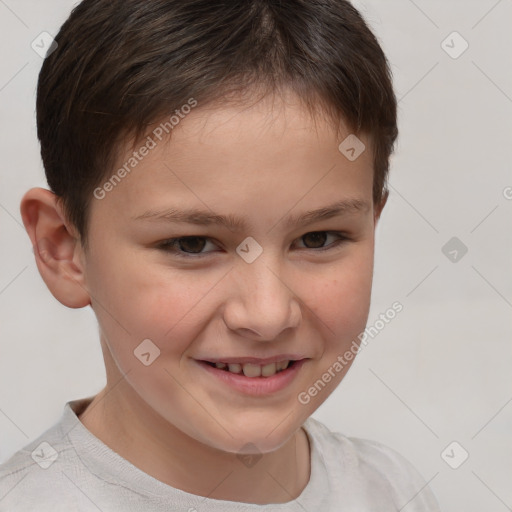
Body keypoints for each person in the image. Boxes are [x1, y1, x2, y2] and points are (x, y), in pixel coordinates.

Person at [0, 0, 441, 510]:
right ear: (64, 248)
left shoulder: (393, 493)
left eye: (319, 238)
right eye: (191, 245)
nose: (268, 314)